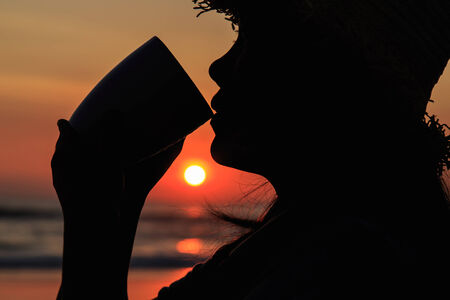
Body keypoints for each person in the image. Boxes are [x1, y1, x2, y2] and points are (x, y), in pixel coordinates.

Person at [51, 0, 450, 299]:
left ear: (322, 78)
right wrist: (123, 201)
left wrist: (91, 228)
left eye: (252, 42)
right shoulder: (306, 237)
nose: (218, 67)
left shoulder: (347, 265)